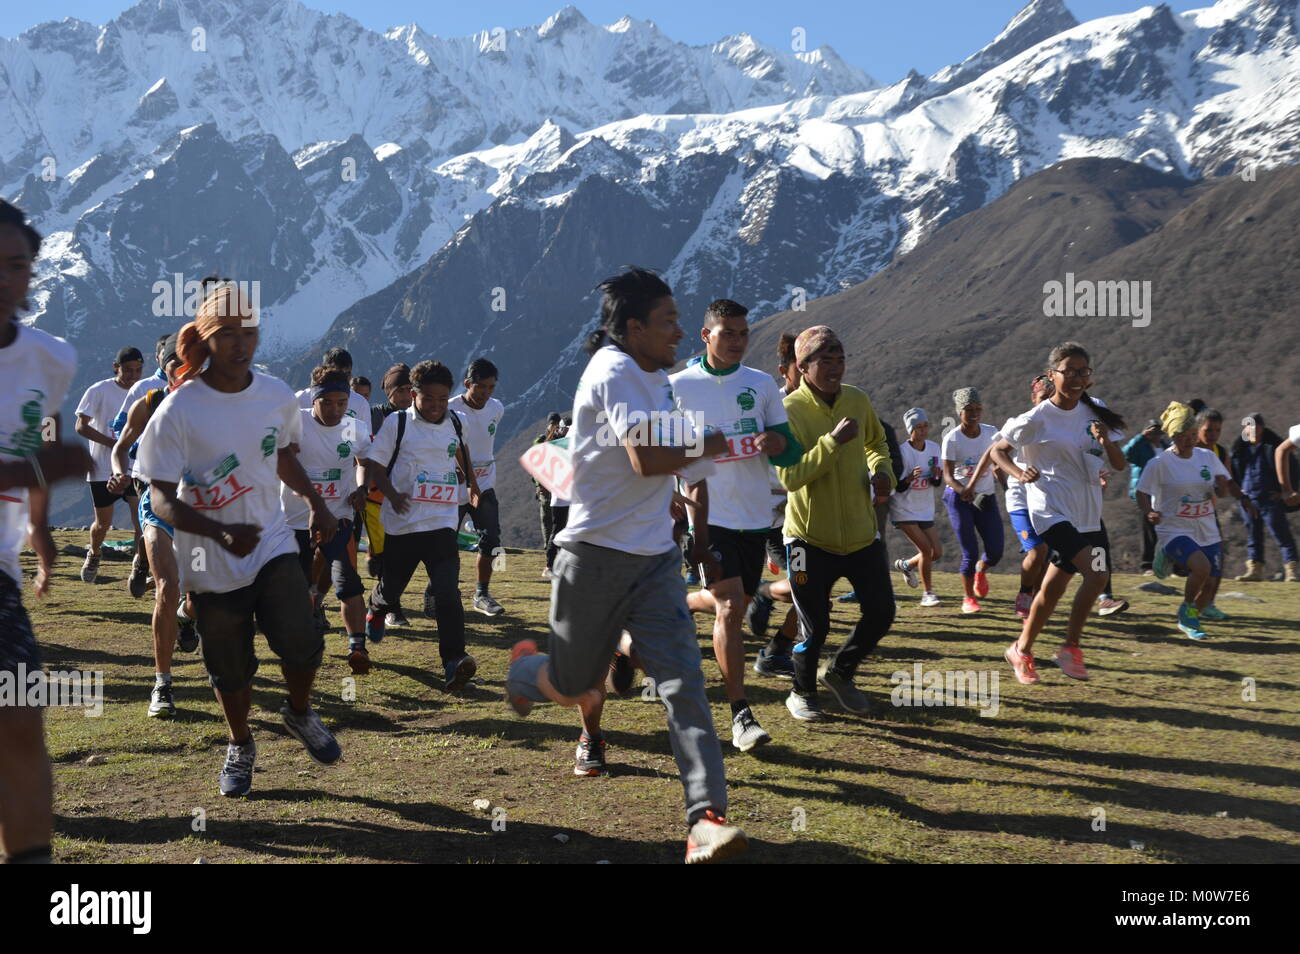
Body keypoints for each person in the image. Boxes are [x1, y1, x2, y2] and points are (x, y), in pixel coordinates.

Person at [504, 267, 747, 863]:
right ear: (633, 327)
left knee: (684, 683)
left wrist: (694, 520)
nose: (680, 330)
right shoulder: (613, 371)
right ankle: (523, 672)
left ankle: (705, 821)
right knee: (572, 686)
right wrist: (708, 443)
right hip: (592, 558)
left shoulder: (655, 377)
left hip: (655, 561)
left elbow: (664, 461)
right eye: (668, 321)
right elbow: (644, 458)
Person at [137, 283, 342, 797]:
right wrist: (217, 529)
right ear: (204, 340)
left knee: (302, 637)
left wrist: (317, 505)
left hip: (270, 540)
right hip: (208, 557)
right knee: (229, 668)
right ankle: (241, 742)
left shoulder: (275, 395)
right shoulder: (178, 409)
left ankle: (298, 712)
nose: (240, 343)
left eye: (248, 331)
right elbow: (159, 497)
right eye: (226, 333)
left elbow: (285, 455)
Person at [670, 298, 802, 752]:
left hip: (755, 516)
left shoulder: (761, 384)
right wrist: (671, 497)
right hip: (708, 516)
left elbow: (789, 450)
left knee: (738, 602)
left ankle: (680, 602)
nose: (738, 341)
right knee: (730, 608)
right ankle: (740, 715)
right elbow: (655, 451)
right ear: (705, 336)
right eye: (728, 333)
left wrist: (776, 439)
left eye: (744, 333)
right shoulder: (678, 387)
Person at [0, 199, 90, 864]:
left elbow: (48, 452)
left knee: (22, 717)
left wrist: (41, 535)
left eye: (18, 264)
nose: (5, 277)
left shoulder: (50, 359)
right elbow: (36, 459)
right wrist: (34, 466)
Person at [776, 325, 896, 721]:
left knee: (881, 613)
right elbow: (789, 477)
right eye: (824, 360)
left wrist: (882, 473)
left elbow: (877, 444)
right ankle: (801, 691)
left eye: (840, 359)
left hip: (862, 535)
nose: (835, 368)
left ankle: (841, 671)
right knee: (816, 626)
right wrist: (831, 442)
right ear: (803, 366)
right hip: (807, 540)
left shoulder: (857, 400)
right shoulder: (789, 411)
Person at [991, 342, 1127, 684]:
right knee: (1097, 576)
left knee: (1051, 590)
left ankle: (1020, 649)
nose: (1078, 378)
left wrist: (1106, 442)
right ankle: (1070, 648)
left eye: (1084, 371)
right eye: (1070, 372)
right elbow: (998, 451)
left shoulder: (1096, 412)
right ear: (1053, 375)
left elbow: (1120, 463)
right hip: (1051, 511)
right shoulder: (1036, 419)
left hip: (1087, 513)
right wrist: (1019, 473)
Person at [360, 360, 478, 691]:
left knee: (447, 592)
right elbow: (375, 465)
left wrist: (473, 485)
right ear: (414, 394)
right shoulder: (397, 424)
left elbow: (460, 451)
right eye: (430, 399)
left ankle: (453, 661)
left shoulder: (456, 421)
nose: (437, 406)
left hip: (442, 522)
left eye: (443, 399)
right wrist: (393, 494)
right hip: (404, 526)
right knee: (392, 589)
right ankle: (377, 606)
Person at [108, 335, 200, 718]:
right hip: (157, 503)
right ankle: (162, 684)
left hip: (202, 508)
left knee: (200, 597)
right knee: (167, 585)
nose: (186, 371)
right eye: (177, 365)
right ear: (166, 369)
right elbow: (119, 448)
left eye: (193, 364)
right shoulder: (149, 403)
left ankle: (186, 616)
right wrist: (118, 474)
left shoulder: (219, 406)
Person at [1137, 402, 1256, 640]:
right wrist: (1149, 512)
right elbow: (1141, 492)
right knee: (1201, 568)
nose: (1189, 440)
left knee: (1211, 582)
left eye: (1192, 435)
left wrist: (1237, 496)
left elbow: (1223, 488)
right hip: (1174, 528)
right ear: (1173, 436)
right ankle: (1186, 607)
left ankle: (1190, 616)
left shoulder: (1207, 457)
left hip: (1206, 526)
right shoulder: (1160, 463)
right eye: (1183, 435)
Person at [283, 368, 372, 673]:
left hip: (339, 516)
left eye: (342, 403)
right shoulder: (296, 423)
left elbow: (363, 462)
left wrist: (361, 487)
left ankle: (357, 647)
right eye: (327, 403)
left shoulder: (355, 429)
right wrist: (311, 503)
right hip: (293, 520)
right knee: (297, 586)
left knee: (348, 581)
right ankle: (301, 633)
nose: (335, 410)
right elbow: (284, 462)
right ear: (313, 398)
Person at [748, 332, 801, 676]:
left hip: (807, 515)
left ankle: (777, 649)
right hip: (772, 517)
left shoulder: (824, 407)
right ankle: (765, 593)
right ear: (787, 370)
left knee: (812, 590)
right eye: (805, 365)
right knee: (804, 586)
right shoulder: (770, 406)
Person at [74, 346, 145, 592]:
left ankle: (140, 566)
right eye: (127, 370)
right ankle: (94, 553)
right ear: (116, 368)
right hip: (103, 468)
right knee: (103, 524)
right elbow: (80, 426)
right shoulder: (99, 390)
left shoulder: (145, 391)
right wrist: (115, 444)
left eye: (138, 370)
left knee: (141, 522)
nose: (133, 375)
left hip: (135, 467)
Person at [991, 374, 1052, 619]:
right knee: (1037, 551)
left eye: (1051, 398)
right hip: (1020, 501)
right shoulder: (1021, 423)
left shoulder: (1056, 425)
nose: (1046, 403)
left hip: (1047, 499)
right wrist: (1014, 482)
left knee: (1047, 556)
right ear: (1033, 398)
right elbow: (995, 458)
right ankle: (1025, 593)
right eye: (1042, 398)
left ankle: (1036, 605)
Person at [450, 358, 507, 616]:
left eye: (491, 387)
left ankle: (482, 594)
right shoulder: (450, 409)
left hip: (485, 485)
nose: (486, 393)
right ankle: (440, 591)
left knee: (492, 540)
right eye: (480, 387)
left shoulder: (496, 408)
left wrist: (479, 483)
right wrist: (467, 479)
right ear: (467, 384)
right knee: (444, 544)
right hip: (453, 487)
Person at [941, 387, 1004, 613]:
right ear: (959, 412)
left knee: (996, 550)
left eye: (978, 409)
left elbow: (998, 462)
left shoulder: (991, 433)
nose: (974, 413)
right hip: (959, 499)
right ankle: (968, 598)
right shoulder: (952, 438)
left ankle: (981, 569)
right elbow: (947, 475)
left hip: (985, 497)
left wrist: (1006, 485)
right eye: (969, 409)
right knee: (970, 551)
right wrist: (961, 489)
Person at [364, 363, 413, 625]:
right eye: (401, 390)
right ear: (389, 391)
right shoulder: (373, 417)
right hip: (375, 498)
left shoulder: (419, 417)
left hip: (407, 497)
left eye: (410, 389)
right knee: (387, 556)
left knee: (402, 555)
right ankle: (391, 607)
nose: (407, 395)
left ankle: (385, 602)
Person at [1230, 414, 1297, 582]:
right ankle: (1254, 570)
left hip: (1270, 498)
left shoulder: (1273, 446)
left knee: (1281, 534)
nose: (1251, 429)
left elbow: (1293, 468)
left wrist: (1285, 491)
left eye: (1255, 426)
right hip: (1248, 498)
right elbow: (1233, 473)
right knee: (1253, 535)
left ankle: (1291, 570)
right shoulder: (1240, 450)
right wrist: (1241, 495)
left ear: (1261, 427)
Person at [889, 407, 943, 606]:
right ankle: (928, 594)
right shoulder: (902, 452)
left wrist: (937, 475)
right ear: (910, 429)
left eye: (925, 426)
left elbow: (936, 482)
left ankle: (905, 565)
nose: (923, 431)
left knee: (937, 552)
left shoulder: (934, 448)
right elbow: (897, 486)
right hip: (903, 509)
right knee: (926, 550)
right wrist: (910, 477)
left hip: (924, 508)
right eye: (918, 427)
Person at [1123, 420, 1166, 573]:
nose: (1156, 435)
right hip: (1145, 491)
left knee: (1165, 527)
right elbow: (1125, 454)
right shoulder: (1140, 446)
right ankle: (1147, 564)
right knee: (1148, 527)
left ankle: (1167, 562)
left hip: (1163, 492)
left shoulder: (1166, 447)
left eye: (1159, 432)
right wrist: (1141, 437)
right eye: (1153, 432)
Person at [295, 347, 371, 426]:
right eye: (338, 373)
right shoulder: (301, 399)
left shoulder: (360, 403)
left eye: (347, 373)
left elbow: (366, 436)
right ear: (324, 371)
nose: (342, 378)